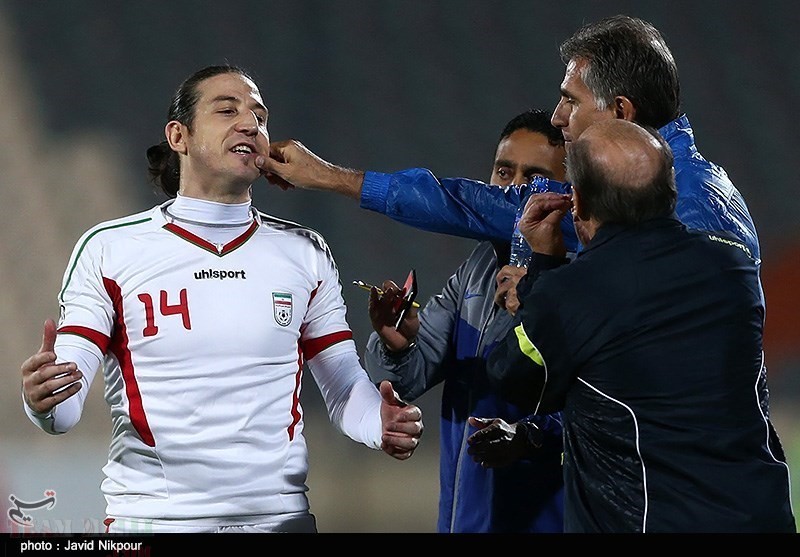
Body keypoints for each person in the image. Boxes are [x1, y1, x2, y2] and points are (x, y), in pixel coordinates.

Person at [19, 64, 424, 534]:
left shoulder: (305, 253)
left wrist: (381, 423)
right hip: (155, 523)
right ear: (179, 136)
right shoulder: (110, 249)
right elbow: (63, 412)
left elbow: (343, 391)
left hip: (280, 522)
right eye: (226, 110)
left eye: (259, 115)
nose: (250, 124)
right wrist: (42, 401)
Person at [259, 14, 760, 273]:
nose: (558, 117)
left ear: (621, 112)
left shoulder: (688, 212)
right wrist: (325, 175)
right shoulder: (657, 188)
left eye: (570, 102)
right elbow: (469, 203)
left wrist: (541, 293)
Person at [484, 118, 795, 533]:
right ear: (669, 191)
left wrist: (544, 265)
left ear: (576, 203)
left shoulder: (573, 293)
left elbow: (513, 377)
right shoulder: (733, 262)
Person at [363, 110, 566, 533]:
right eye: (503, 171)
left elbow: (604, 414)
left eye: (534, 179)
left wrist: (532, 436)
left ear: (568, 192)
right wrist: (397, 342)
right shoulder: (478, 266)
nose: (512, 189)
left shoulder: (579, 280)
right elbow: (405, 380)